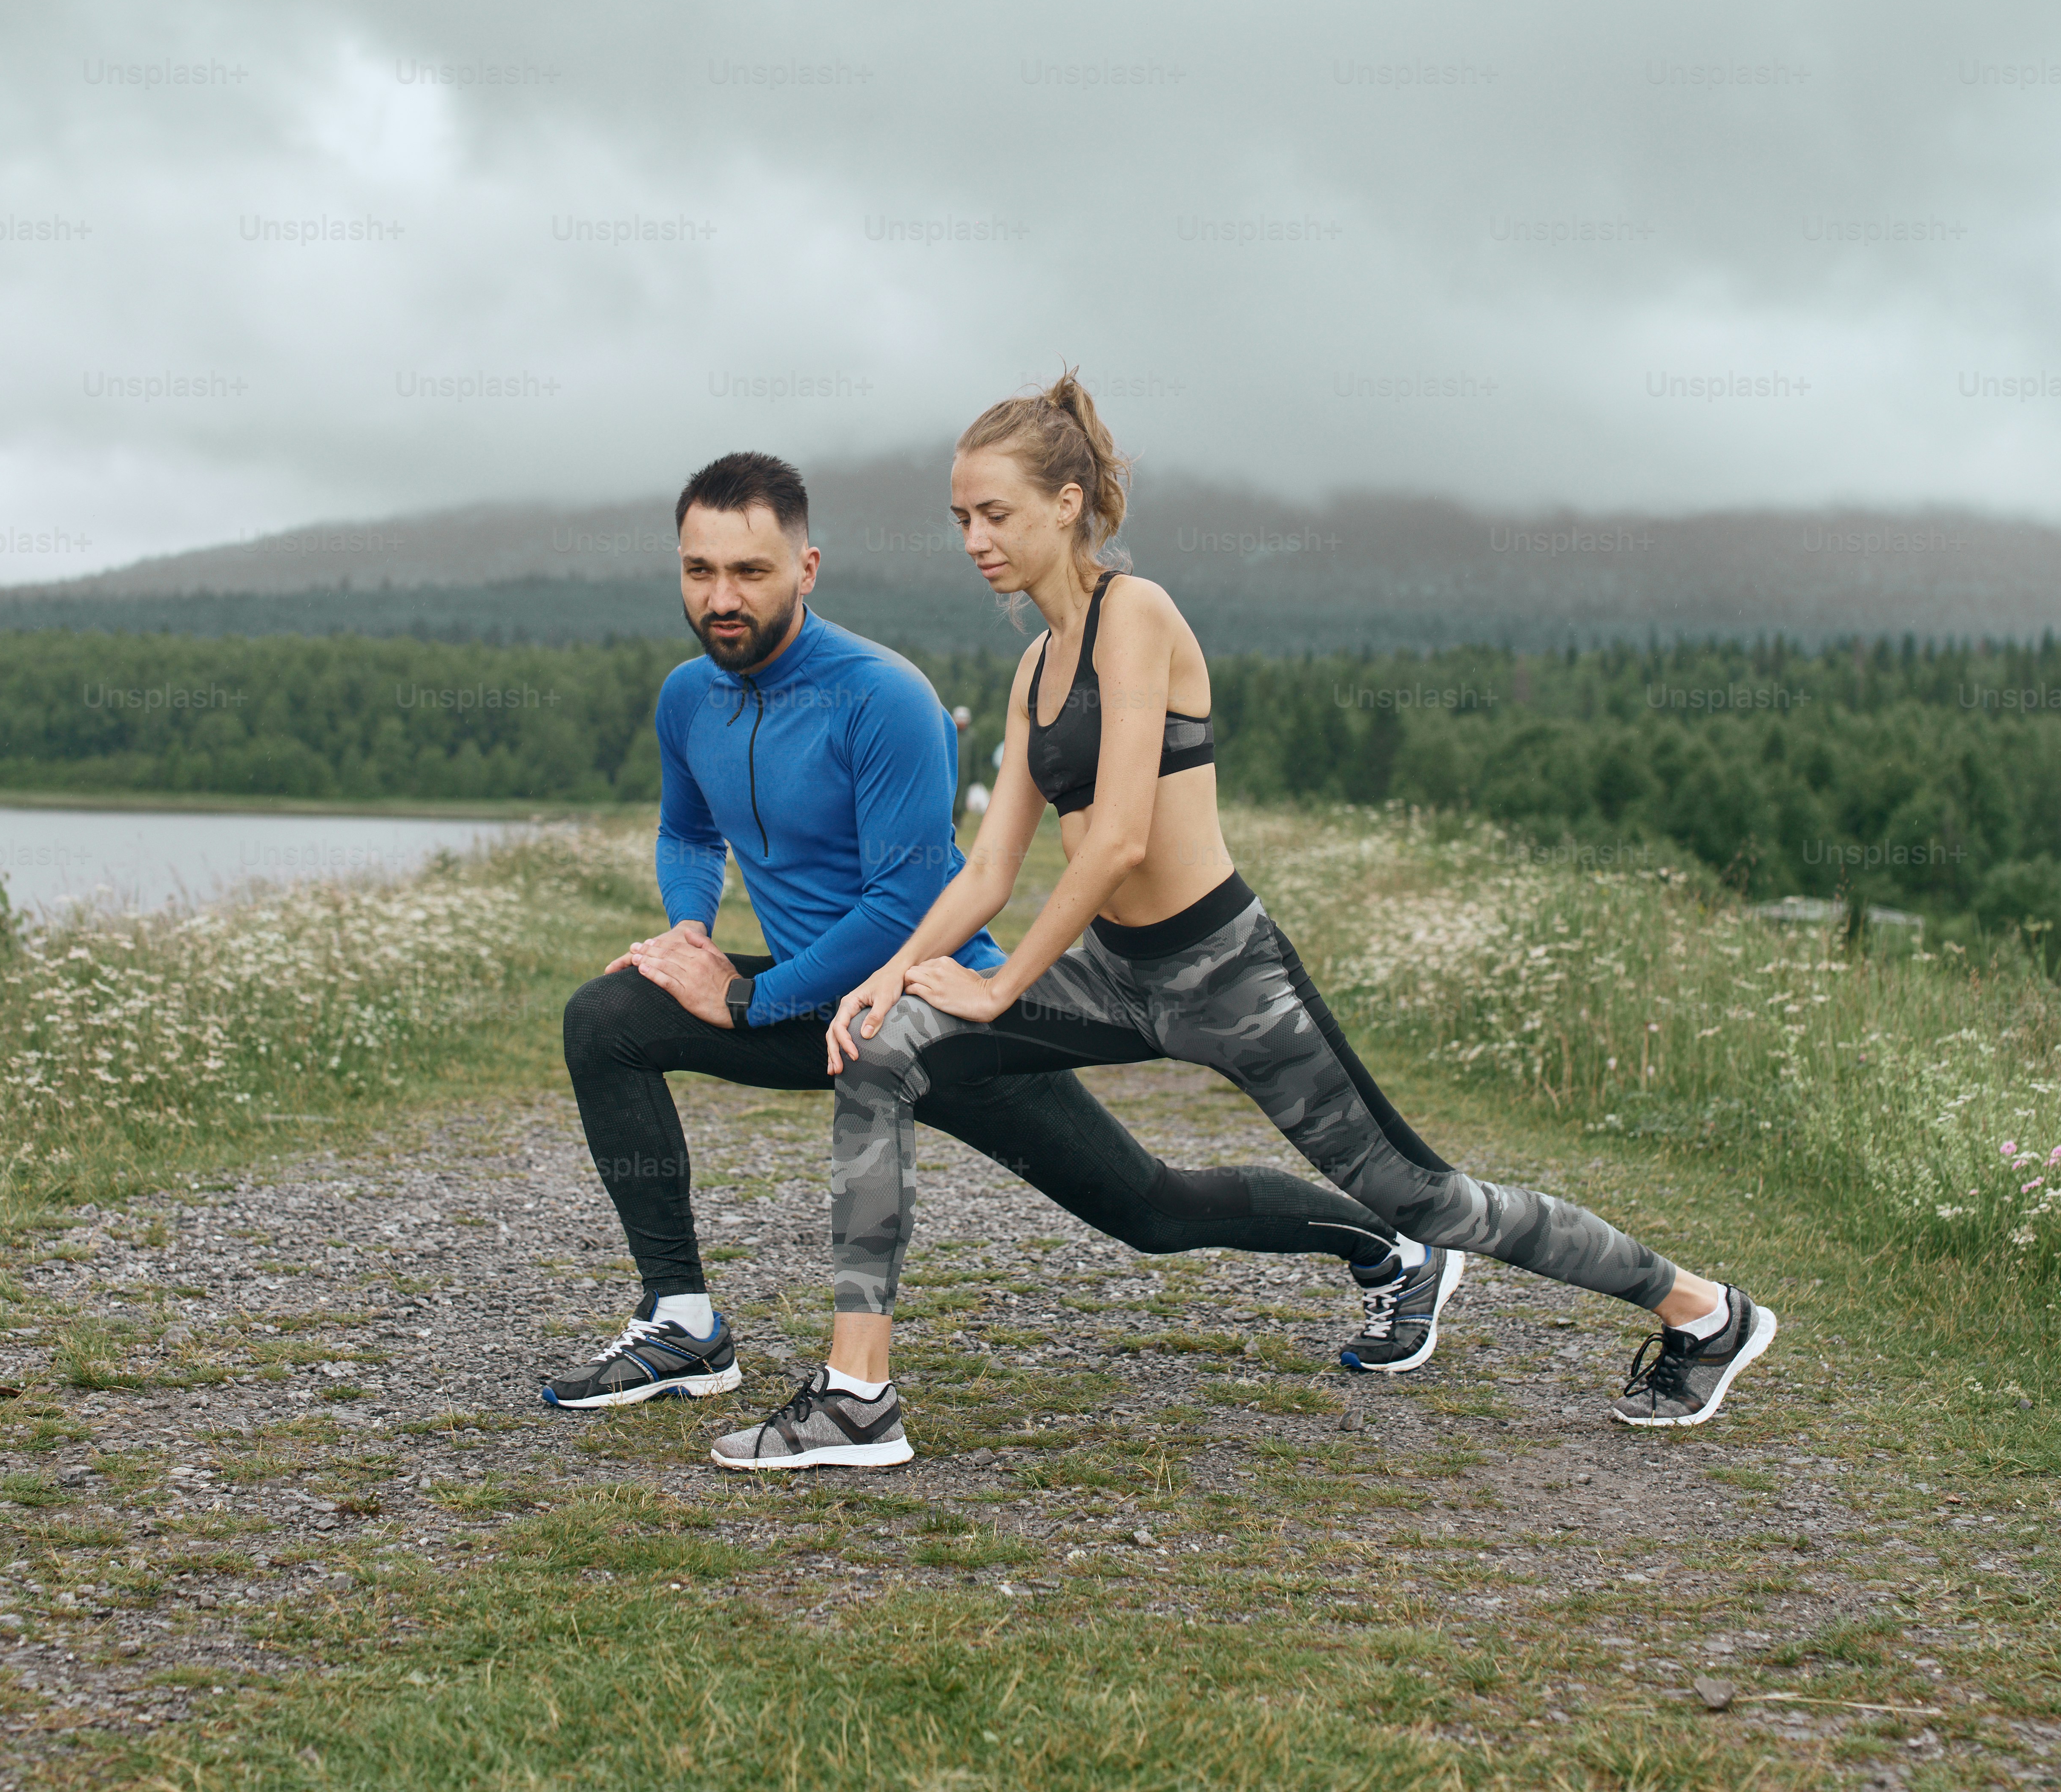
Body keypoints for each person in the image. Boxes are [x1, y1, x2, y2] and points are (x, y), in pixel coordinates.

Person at [708, 379, 1777, 1472]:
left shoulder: (1139, 615)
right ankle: (855, 1399)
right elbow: (987, 865)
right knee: (879, 1051)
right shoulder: (1036, 666)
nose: (973, 539)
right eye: (960, 519)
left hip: (1226, 975)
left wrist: (991, 985)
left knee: (1424, 1195)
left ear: (1068, 504)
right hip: (1115, 976)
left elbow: (1121, 837)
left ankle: (1699, 1309)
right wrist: (895, 972)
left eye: (996, 514)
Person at [545, 450, 1468, 1429]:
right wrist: (689, 933)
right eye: (699, 571)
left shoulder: (884, 698)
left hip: (939, 1012)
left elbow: (903, 905)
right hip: (820, 1010)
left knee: (1152, 1210)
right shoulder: (688, 696)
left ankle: (1392, 1244)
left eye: (749, 572)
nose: (721, 597)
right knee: (607, 1016)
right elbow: (688, 833)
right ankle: (683, 1321)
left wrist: (743, 998)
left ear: (806, 569)